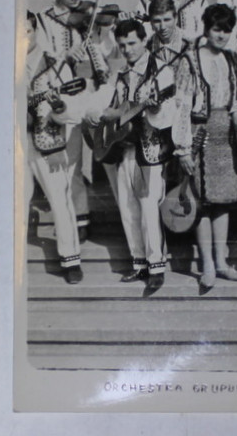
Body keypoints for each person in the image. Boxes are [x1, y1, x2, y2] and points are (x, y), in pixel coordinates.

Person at [34, 0, 110, 241]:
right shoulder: (43, 19)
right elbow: (40, 57)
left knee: (90, 157)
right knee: (66, 161)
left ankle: (81, 217)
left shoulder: (86, 16)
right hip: (60, 96)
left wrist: (101, 35)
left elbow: (101, 53)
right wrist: (65, 56)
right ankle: (72, 219)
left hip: (87, 92)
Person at [101, 19, 177, 291]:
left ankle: (157, 265)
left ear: (145, 41)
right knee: (127, 206)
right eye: (122, 45)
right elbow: (110, 109)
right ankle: (138, 262)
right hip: (126, 147)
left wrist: (151, 108)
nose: (127, 49)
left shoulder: (162, 71)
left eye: (132, 43)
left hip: (152, 148)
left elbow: (169, 114)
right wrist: (112, 115)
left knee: (148, 205)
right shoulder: (121, 74)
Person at [175, 4, 237, 294]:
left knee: (223, 200)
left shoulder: (231, 59)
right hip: (198, 133)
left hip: (225, 136)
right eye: (217, 29)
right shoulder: (190, 60)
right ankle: (205, 264)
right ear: (206, 29)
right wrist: (182, 149)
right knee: (203, 202)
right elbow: (180, 106)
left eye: (227, 30)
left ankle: (221, 261)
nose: (222, 35)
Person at [26, 11, 83, 284]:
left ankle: (70, 259)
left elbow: (71, 109)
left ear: (35, 31)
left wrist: (58, 105)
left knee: (59, 198)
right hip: (12, 142)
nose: (21, 39)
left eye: (26, 32)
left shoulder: (55, 64)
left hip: (47, 139)